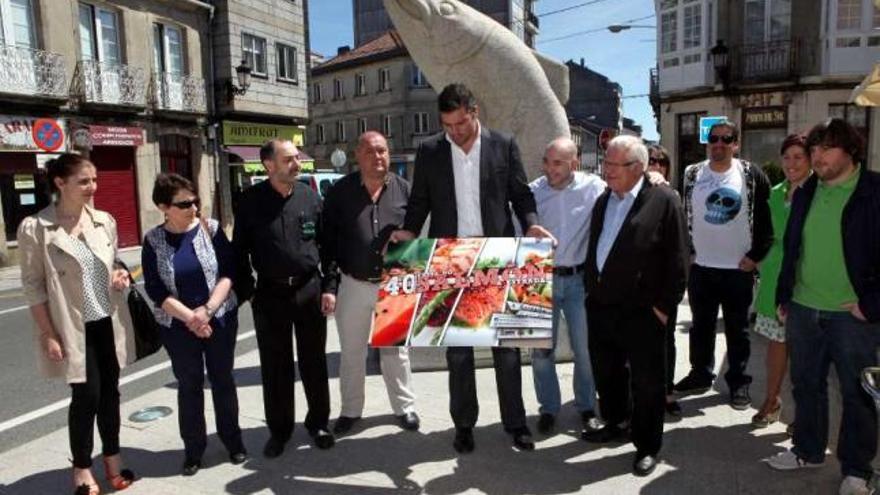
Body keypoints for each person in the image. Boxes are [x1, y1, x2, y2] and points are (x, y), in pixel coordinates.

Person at [390, 83, 555, 453]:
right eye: (447, 125)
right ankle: (464, 425)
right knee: (459, 353)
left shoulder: (503, 145)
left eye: (461, 123)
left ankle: (516, 424)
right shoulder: (430, 150)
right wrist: (409, 231)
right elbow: (419, 202)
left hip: (496, 256)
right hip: (451, 259)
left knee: (507, 351)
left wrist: (530, 223)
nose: (455, 132)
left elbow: (520, 193)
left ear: (474, 111)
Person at [767, 118, 880, 495]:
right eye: (813, 150)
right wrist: (785, 296)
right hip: (803, 308)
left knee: (857, 393)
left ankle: (857, 470)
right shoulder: (806, 192)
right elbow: (792, 249)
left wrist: (872, 304)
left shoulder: (874, 191)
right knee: (806, 386)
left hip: (852, 315)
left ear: (851, 149)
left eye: (826, 148)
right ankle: (808, 449)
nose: (817, 157)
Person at [17, 154, 137, 495]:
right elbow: (33, 286)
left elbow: (114, 262)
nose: (93, 187)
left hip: (106, 322)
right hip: (72, 327)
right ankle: (82, 469)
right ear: (60, 183)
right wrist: (48, 334)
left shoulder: (104, 221)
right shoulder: (36, 228)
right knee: (86, 396)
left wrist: (119, 274)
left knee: (111, 394)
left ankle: (112, 458)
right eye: (84, 181)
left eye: (95, 180)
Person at [581, 135, 689, 476]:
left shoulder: (663, 199)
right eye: (606, 163)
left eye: (615, 165)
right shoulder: (603, 200)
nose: (607, 171)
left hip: (643, 311)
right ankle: (616, 422)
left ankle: (647, 445)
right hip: (601, 306)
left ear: (638, 168)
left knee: (647, 383)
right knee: (608, 374)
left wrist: (664, 306)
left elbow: (679, 258)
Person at [233, 138, 335, 458]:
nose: (297, 164)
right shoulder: (250, 202)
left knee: (314, 362)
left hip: (308, 290)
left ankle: (318, 423)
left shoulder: (309, 197)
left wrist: (329, 287)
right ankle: (279, 430)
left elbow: (328, 247)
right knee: (275, 368)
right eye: (289, 159)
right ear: (269, 165)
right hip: (270, 294)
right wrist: (249, 292)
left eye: (297, 159)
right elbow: (238, 253)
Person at [141, 174, 246, 475]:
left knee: (223, 380)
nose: (193, 207)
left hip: (219, 317)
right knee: (189, 386)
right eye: (184, 203)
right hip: (178, 326)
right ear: (164, 207)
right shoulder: (153, 240)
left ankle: (233, 441)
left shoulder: (210, 229)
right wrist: (191, 318)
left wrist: (208, 310)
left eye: (195, 200)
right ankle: (193, 450)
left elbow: (229, 272)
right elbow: (156, 289)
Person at [320, 131, 419, 435]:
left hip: (395, 283)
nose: (378, 157)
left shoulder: (406, 191)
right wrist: (330, 286)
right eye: (371, 152)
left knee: (395, 351)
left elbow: (421, 235)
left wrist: (411, 238)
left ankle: (404, 407)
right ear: (357, 156)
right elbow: (329, 243)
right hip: (353, 283)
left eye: (383, 151)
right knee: (351, 352)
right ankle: (351, 410)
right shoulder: (340, 193)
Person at [675, 120, 773, 410]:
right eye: (713, 138)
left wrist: (755, 256)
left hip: (737, 269)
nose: (718, 144)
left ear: (735, 143)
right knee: (700, 327)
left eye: (725, 139)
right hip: (701, 268)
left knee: (738, 330)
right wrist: (688, 253)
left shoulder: (751, 174)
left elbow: (766, 221)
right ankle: (700, 374)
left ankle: (738, 382)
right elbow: (685, 214)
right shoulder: (692, 173)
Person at [528, 137, 603, 434]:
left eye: (557, 163)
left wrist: (653, 176)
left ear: (574, 162)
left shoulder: (594, 188)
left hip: (578, 282)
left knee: (584, 351)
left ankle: (586, 407)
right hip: (540, 282)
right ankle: (548, 408)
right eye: (547, 161)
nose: (550, 168)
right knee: (541, 352)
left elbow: (628, 189)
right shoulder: (533, 192)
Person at [750, 134, 811, 428]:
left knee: (806, 354)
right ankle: (772, 400)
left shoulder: (817, 193)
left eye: (799, 157)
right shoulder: (774, 193)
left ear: (810, 159)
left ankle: (805, 416)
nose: (791, 163)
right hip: (775, 278)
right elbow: (763, 233)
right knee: (776, 345)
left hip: (807, 280)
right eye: (787, 157)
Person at [647, 144, 683, 418]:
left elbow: (679, 249)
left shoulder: (671, 196)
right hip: (635, 286)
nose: (656, 166)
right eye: (651, 161)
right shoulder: (629, 193)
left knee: (666, 340)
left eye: (661, 162)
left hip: (662, 285)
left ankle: (667, 391)